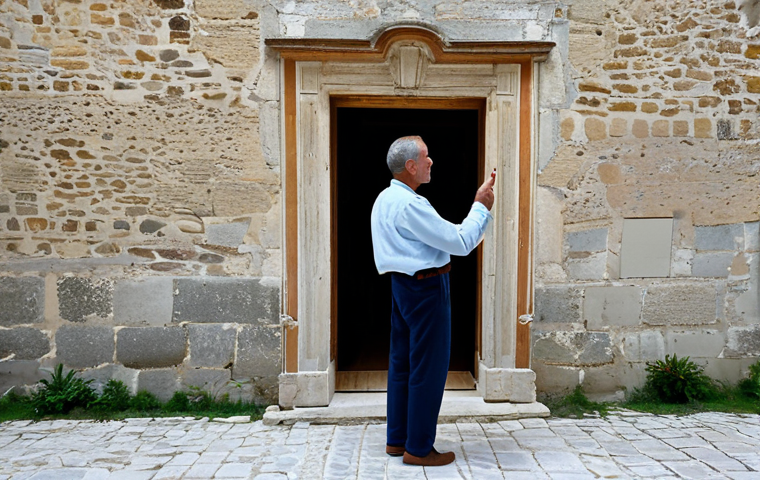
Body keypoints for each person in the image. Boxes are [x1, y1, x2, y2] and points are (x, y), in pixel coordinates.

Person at [370, 135, 495, 467]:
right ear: (411, 166)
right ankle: (420, 448)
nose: (431, 162)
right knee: (428, 368)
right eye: (426, 157)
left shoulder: (383, 199)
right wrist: (481, 206)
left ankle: (397, 440)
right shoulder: (411, 204)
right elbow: (461, 241)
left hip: (401, 286)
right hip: (425, 289)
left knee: (401, 366)